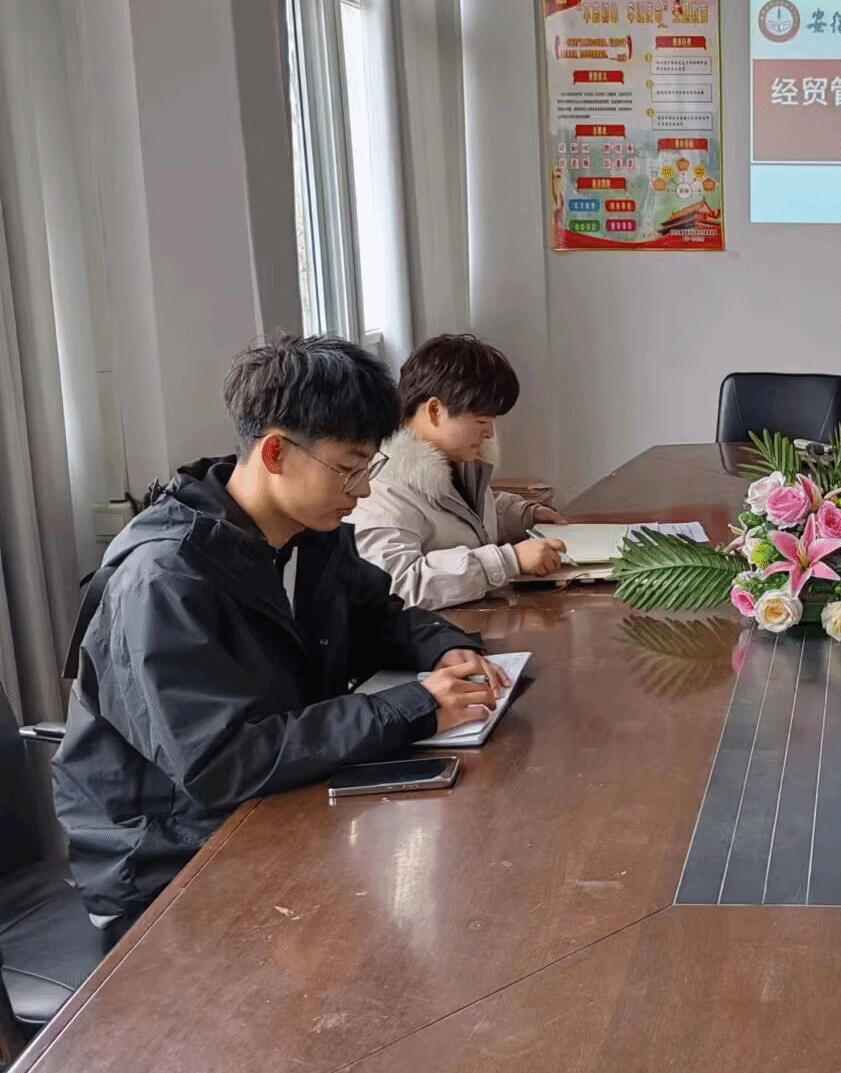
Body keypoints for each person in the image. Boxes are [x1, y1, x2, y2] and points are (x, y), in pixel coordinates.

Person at [53, 336, 507, 931]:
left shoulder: (310, 532)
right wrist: (415, 708)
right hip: (169, 866)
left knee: (465, 882)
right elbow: (221, 762)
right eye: (348, 469)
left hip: (279, 808)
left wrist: (445, 647)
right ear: (275, 452)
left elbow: (377, 615)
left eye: (368, 468)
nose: (363, 490)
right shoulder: (164, 580)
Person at [350, 334, 567, 610]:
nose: (490, 433)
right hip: (435, 635)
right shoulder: (381, 488)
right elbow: (396, 585)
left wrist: (521, 515)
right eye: (482, 421)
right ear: (434, 411)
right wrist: (508, 561)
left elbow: (462, 517)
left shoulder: (454, 461)